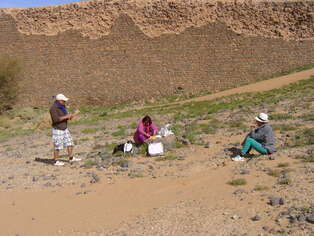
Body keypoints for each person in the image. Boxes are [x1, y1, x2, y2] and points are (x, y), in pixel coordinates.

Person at [49, 94, 81, 166]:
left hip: (64, 128)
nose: (64, 102)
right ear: (59, 101)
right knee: (58, 145)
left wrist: (70, 116)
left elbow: (64, 116)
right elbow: (56, 119)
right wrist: (66, 116)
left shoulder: (62, 107)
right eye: (63, 101)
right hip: (58, 129)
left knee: (70, 143)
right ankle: (56, 161)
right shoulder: (53, 108)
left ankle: (71, 158)